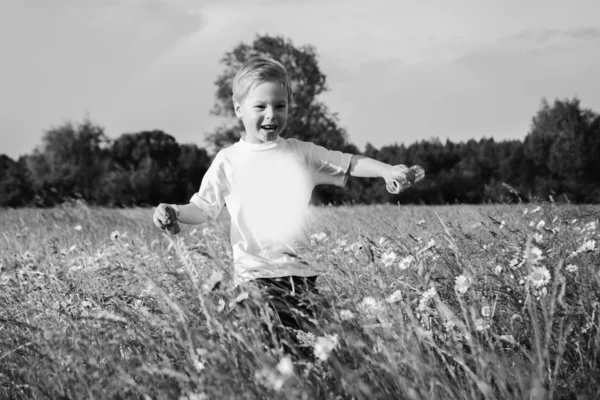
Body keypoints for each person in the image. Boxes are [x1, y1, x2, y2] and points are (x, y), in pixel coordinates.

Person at [153, 56, 415, 358]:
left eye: (280, 106)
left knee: (313, 357)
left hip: (301, 277)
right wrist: (173, 211)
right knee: (269, 357)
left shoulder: (301, 153)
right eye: (260, 106)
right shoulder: (228, 160)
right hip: (254, 280)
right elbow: (202, 208)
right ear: (239, 109)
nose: (271, 114)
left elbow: (350, 162)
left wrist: (386, 170)